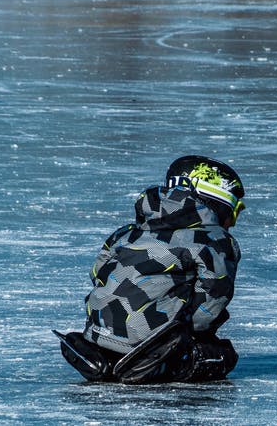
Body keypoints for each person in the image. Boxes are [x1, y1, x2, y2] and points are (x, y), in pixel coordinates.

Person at [56, 155, 245, 383]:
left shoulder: (127, 232)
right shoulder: (215, 240)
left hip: (100, 333)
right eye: (235, 210)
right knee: (223, 355)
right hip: (156, 342)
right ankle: (154, 363)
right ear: (217, 201)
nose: (232, 223)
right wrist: (190, 334)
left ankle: (105, 356)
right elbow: (213, 299)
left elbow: (97, 273)